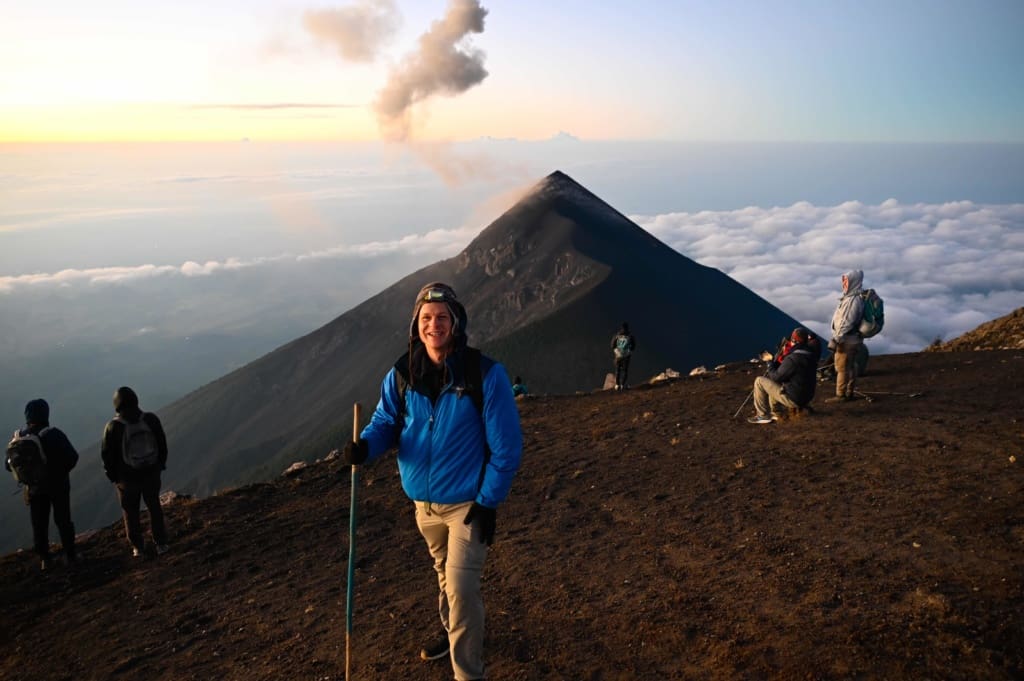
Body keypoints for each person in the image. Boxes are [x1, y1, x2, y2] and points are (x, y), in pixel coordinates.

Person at [342, 282, 522, 681]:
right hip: (423, 507)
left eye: (442, 318)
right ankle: (454, 632)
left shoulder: (484, 375)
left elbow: (507, 448)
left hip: (467, 506)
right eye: (426, 318)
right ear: (416, 326)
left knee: (459, 587)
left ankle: (468, 673)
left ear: (456, 324)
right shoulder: (403, 373)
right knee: (445, 574)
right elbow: (386, 423)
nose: (434, 325)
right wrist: (365, 449)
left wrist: (488, 502)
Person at [5, 399, 79, 570]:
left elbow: (8, 465)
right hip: (58, 486)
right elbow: (72, 457)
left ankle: (45, 559)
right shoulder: (52, 434)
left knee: (39, 523)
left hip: (33, 489)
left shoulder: (19, 439)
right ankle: (71, 555)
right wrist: (61, 472)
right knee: (63, 520)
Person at [101, 386, 170, 557]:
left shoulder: (112, 427)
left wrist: (114, 477)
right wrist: (159, 465)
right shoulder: (150, 419)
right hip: (151, 473)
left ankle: (138, 547)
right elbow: (162, 445)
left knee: (130, 512)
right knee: (154, 507)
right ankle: (161, 544)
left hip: (126, 479)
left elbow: (106, 455)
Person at [747, 328, 821, 424]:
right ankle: (777, 411)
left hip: (794, 398)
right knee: (780, 381)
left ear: (794, 341)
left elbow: (775, 377)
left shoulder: (793, 358)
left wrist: (769, 362)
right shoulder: (811, 355)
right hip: (807, 396)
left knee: (759, 381)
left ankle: (763, 415)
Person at [827, 270, 866, 402]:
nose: (844, 283)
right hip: (854, 339)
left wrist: (837, 338)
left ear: (853, 282)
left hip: (846, 340)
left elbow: (846, 322)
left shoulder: (852, 301)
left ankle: (841, 395)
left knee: (842, 367)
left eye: (846, 280)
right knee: (851, 365)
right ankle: (849, 391)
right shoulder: (855, 297)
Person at [610, 322, 636, 390]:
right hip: (626, 356)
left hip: (618, 356)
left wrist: (616, 352)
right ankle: (622, 385)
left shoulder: (617, 335)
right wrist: (629, 351)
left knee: (618, 370)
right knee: (625, 371)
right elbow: (633, 346)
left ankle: (617, 385)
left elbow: (612, 345)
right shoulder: (630, 336)